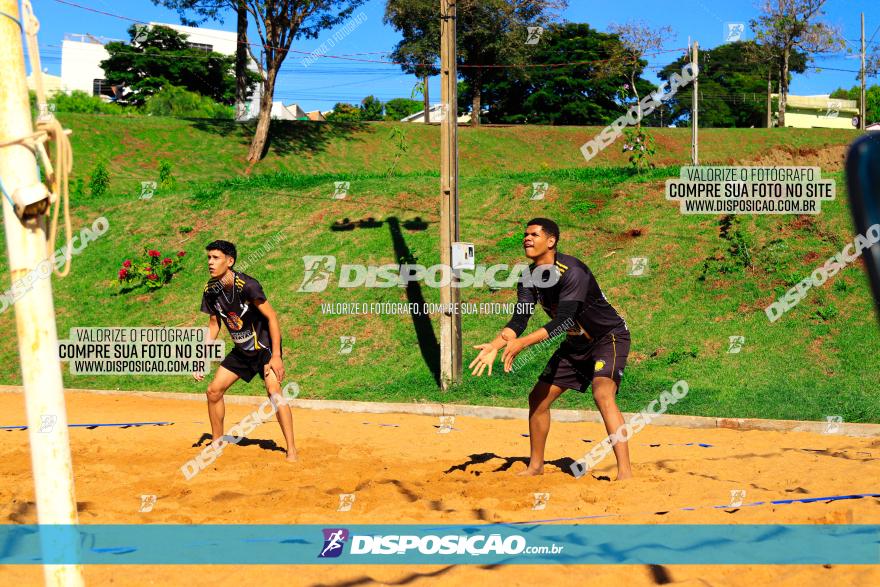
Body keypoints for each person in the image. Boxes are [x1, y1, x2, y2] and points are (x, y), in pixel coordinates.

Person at [469, 218, 632, 479]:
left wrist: (522, 344)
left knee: (603, 394)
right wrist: (496, 344)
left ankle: (625, 472)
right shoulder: (528, 277)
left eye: (534, 234)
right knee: (538, 398)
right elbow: (519, 320)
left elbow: (563, 320)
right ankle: (536, 466)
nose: (527, 238)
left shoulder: (573, 272)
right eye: (525, 234)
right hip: (576, 343)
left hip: (608, 338)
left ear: (551, 241)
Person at [194, 239, 297, 462]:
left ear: (229, 261)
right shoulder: (210, 290)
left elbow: (272, 317)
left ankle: (291, 449)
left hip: (264, 349)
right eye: (209, 258)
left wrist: (277, 355)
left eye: (216, 258)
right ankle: (217, 442)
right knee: (213, 391)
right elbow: (214, 324)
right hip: (241, 350)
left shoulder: (248, 286)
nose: (210, 262)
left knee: (274, 394)